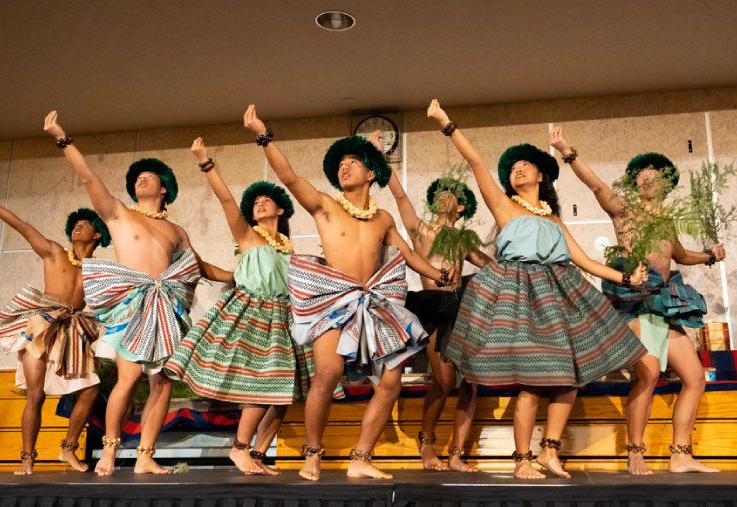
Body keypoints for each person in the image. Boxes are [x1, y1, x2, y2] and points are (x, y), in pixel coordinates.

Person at [427, 99, 648, 479]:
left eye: (524, 166)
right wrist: (447, 124)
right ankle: (522, 460)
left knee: (568, 378)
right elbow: (477, 163)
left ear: (542, 175)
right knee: (531, 383)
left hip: (557, 294)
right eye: (512, 169)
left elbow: (584, 261)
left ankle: (549, 451)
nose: (517, 171)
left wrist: (624, 278)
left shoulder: (555, 219)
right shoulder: (504, 207)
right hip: (516, 296)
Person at [243, 104, 455, 480]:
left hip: (373, 304)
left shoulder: (384, 218)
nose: (344, 167)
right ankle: (312, 453)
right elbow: (289, 177)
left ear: (371, 173)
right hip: (333, 302)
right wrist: (263, 135)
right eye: (340, 163)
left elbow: (407, 256)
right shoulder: (324, 206)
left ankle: (361, 457)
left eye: (353, 162)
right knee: (328, 372)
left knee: (391, 381)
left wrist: (438, 273)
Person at [45, 111, 232, 476]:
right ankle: (111, 451)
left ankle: (146, 454)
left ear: (164, 189)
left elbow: (199, 266)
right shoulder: (117, 214)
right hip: (131, 306)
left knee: (161, 383)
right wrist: (62, 138)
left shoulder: (176, 230)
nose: (142, 178)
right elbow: (88, 177)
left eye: (150, 176)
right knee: (128, 378)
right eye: (138, 177)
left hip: (166, 309)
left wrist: (235, 277)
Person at [164, 137, 341, 475]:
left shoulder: (290, 253)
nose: (259, 204)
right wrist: (206, 161)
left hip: (286, 320)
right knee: (262, 385)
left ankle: (257, 455)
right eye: (256, 202)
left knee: (282, 394)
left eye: (266, 201)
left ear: (281, 210)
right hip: (252, 315)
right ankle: (240, 447)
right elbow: (227, 199)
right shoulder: (248, 237)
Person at [557, 130, 723, 474]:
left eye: (654, 173)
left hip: (664, 303)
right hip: (634, 301)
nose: (647, 176)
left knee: (694, 377)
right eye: (642, 174)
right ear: (636, 184)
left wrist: (709, 256)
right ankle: (635, 452)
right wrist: (568, 153)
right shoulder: (625, 211)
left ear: (666, 182)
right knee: (647, 375)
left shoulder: (666, 221)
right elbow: (598, 187)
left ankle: (680, 454)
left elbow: (679, 255)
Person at [0, 182, 106, 475]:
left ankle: (68, 449)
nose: (78, 226)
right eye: (75, 223)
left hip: (72, 330)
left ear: (97, 235)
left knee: (91, 390)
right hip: (42, 326)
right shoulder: (55, 252)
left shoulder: (98, 270)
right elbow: (23, 226)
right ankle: (27, 459)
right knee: (36, 395)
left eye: (85, 224)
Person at [386, 163, 491, 472]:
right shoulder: (421, 229)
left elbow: (491, 265)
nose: (445, 196)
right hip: (433, 306)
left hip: (463, 305)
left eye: (452, 194)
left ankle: (458, 453)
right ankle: (427, 442)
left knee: (470, 382)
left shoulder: (464, 239)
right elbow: (401, 197)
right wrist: (383, 159)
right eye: (441, 192)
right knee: (444, 380)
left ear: (461, 207)